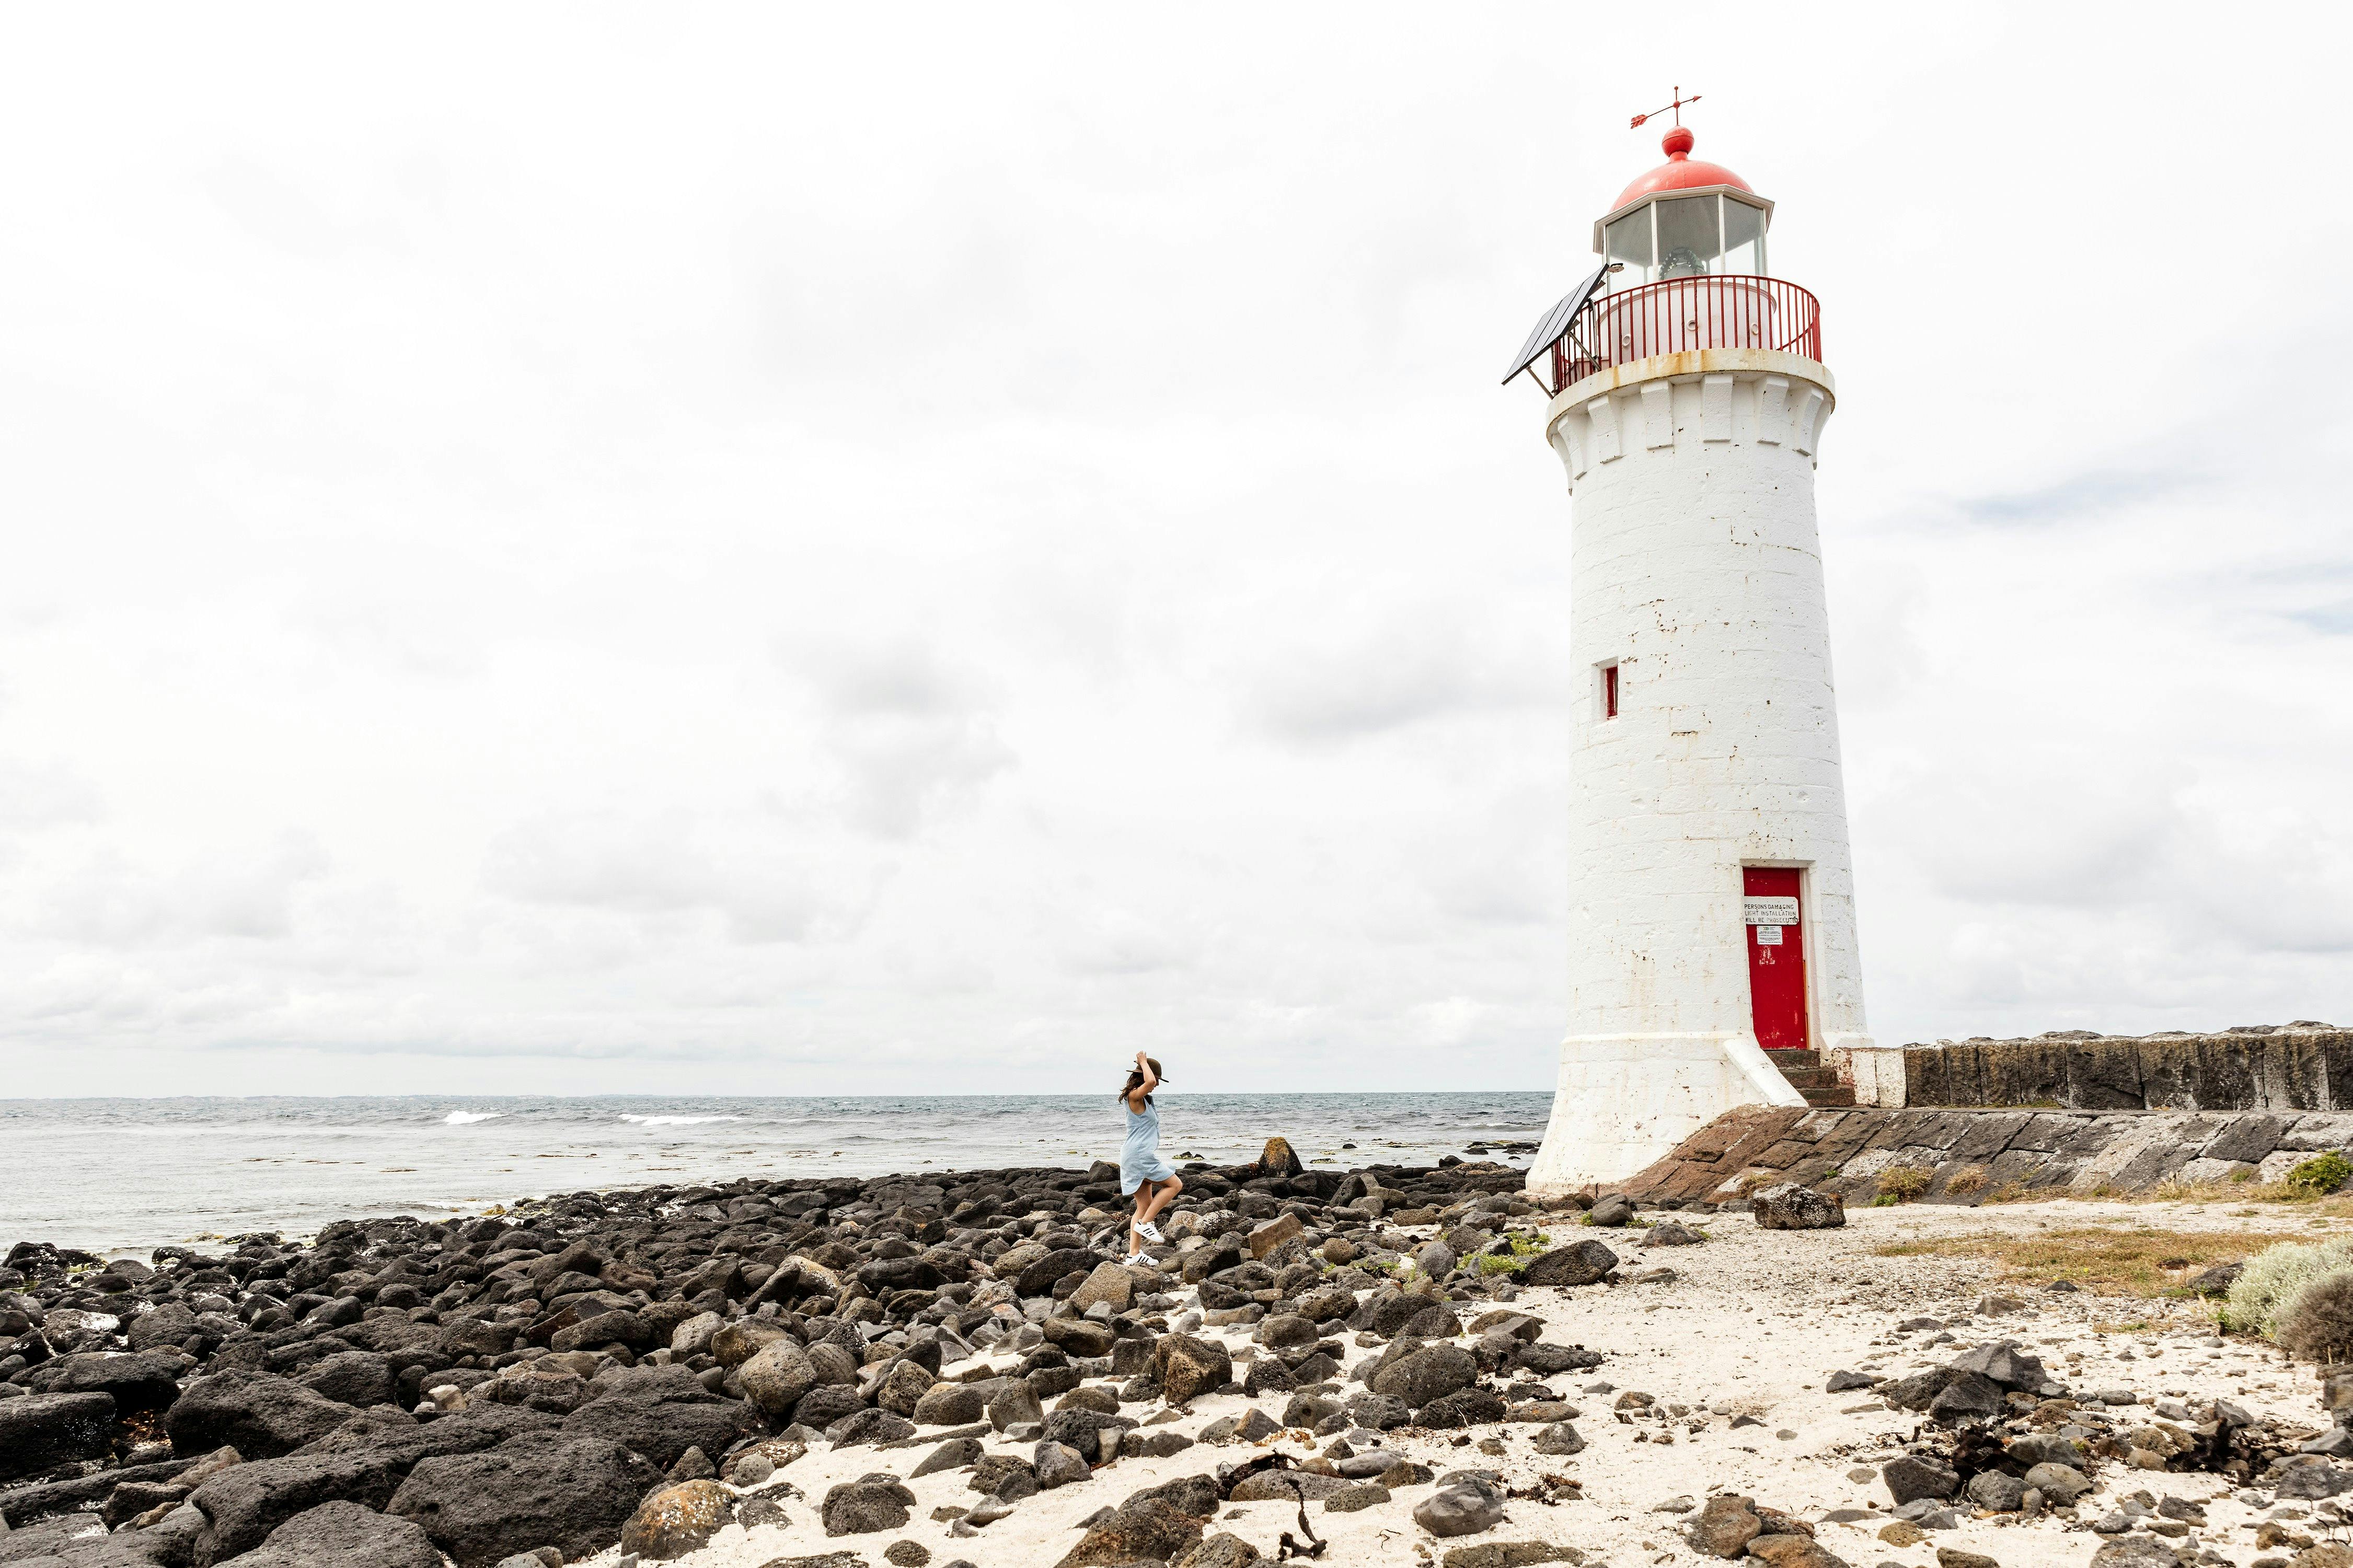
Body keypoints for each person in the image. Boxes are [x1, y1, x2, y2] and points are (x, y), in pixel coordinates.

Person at [1120, 1050, 1181, 1266]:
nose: (1157, 1085)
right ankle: (1146, 1223)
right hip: (1139, 1156)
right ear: (1142, 1076)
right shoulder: (1134, 1096)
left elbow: (1152, 1081)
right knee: (1175, 1185)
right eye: (1156, 1081)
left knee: (1144, 1204)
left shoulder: (1144, 1098)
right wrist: (1144, 1062)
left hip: (1136, 1155)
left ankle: (1133, 1254)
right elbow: (1151, 1080)